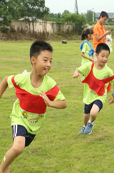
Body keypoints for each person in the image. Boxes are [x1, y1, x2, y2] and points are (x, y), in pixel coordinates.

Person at [0, 41, 67, 173]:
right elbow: (5, 80)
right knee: (18, 147)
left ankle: (6, 164)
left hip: (34, 126)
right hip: (19, 117)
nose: (49, 64)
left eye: (51, 61)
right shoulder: (22, 79)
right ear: (33, 60)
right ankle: (2, 169)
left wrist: (50, 103)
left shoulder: (50, 84)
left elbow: (63, 103)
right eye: (45, 60)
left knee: (18, 149)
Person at [73, 43, 114, 135]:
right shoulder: (89, 66)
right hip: (89, 95)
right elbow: (78, 69)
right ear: (96, 55)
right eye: (102, 56)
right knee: (86, 115)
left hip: (100, 96)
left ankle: (91, 123)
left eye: (107, 56)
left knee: (93, 113)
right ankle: (85, 126)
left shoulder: (108, 71)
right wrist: (76, 73)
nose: (105, 59)